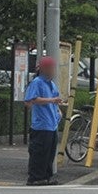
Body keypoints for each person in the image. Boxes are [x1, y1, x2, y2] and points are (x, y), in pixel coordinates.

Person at [23, 55, 66, 185]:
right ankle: (35, 177)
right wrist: (52, 100)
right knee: (39, 152)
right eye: (51, 68)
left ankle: (46, 176)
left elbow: (55, 100)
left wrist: (58, 111)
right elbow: (30, 100)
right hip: (41, 125)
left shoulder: (51, 84)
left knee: (49, 152)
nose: (53, 70)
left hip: (52, 124)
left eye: (53, 67)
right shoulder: (37, 82)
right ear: (44, 69)